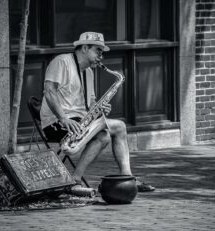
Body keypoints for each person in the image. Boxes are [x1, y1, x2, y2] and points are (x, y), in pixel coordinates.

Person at [40, 32, 155, 194]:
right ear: (85, 48)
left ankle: (75, 180)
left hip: (79, 122)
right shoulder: (62, 62)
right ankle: (128, 177)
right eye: (98, 50)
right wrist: (63, 118)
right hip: (57, 123)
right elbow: (49, 91)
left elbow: (90, 103)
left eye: (102, 51)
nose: (101, 55)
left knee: (104, 136)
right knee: (120, 126)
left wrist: (100, 109)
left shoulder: (89, 72)